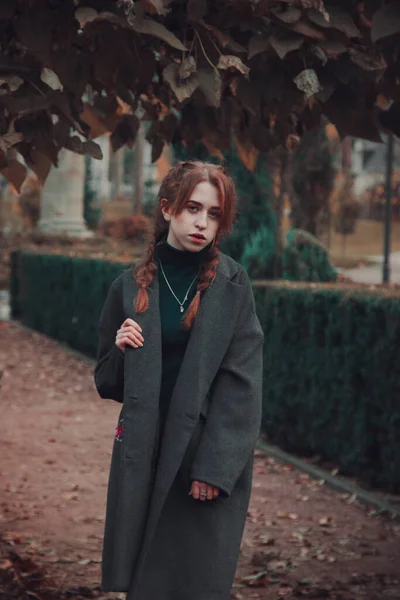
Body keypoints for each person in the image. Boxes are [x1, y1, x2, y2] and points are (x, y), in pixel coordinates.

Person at [94, 160, 264, 600]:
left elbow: (241, 383)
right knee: (145, 582)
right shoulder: (128, 287)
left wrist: (215, 468)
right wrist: (122, 349)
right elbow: (108, 383)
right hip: (144, 450)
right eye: (193, 208)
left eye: (213, 214)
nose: (202, 222)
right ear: (167, 209)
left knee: (192, 581)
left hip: (199, 456)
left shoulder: (231, 284)